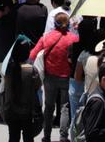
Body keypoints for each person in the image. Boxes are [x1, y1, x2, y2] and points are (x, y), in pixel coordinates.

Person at [31, 11, 78, 142]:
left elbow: (33, 55)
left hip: (50, 77)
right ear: (68, 24)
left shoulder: (46, 37)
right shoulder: (74, 39)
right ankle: (63, 137)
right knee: (64, 107)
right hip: (66, 77)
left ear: (54, 24)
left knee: (49, 106)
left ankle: (47, 136)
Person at [1, 35, 42, 142]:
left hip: (11, 109)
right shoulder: (31, 70)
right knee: (28, 137)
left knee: (13, 137)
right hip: (27, 110)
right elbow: (37, 86)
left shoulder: (8, 68)